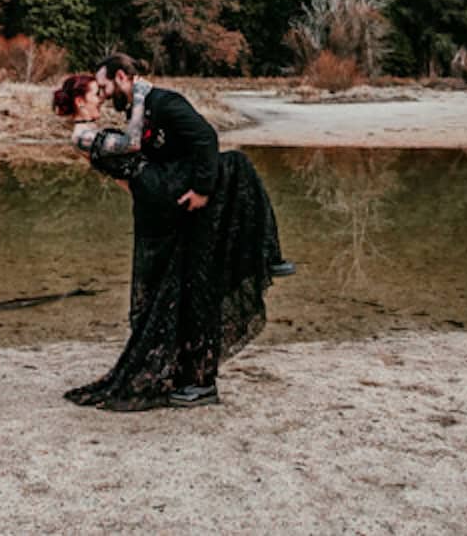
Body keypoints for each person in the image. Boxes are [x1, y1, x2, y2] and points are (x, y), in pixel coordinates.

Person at [51, 54, 292, 411]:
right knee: (235, 167)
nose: (102, 96)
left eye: (102, 88)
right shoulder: (84, 135)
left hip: (158, 191)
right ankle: (263, 258)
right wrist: (141, 95)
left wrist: (184, 189)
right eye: (95, 92)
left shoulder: (135, 114)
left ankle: (265, 257)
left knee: (234, 169)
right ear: (78, 100)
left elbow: (134, 165)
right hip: (159, 192)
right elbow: (133, 147)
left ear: (121, 76)